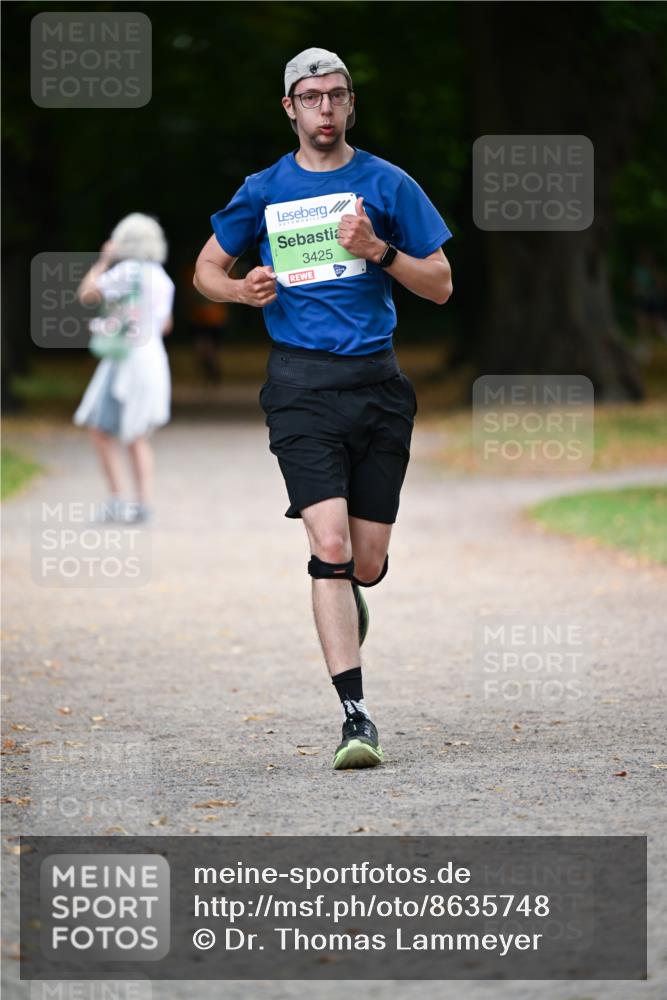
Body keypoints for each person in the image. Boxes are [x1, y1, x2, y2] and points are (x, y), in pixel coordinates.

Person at [194, 48, 453, 769]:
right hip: (300, 387)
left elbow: (439, 285)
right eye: (311, 97)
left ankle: (350, 592)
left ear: (349, 103)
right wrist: (239, 291)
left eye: (336, 95)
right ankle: (355, 716)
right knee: (329, 547)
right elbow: (206, 270)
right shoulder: (264, 188)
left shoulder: (386, 183)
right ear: (289, 107)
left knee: (364, 564)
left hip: (378, 385)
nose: (325, 109)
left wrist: (380, 252)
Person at [73, 213, 174, 523]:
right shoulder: (161, 277)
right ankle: (143, 503)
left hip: (125, 358)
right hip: (153, 357)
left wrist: (104, 260)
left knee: (100, 427)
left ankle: (117, 499)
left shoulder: (128, 271)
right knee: (137, 434)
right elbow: (165, 325)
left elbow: (87, 293)